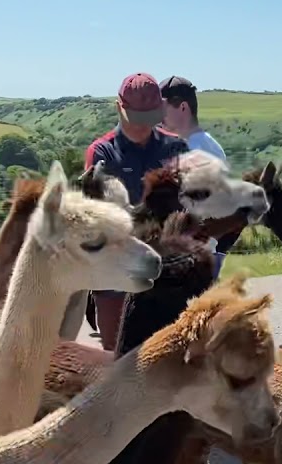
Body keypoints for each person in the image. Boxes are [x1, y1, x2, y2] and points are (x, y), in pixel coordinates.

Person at [84, 72, 189, 350]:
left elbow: (189, 208)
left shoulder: (176, 148)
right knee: (118, 364)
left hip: (166, 277)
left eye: (150, 117)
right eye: (137, 119)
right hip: (116, 280)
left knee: (171, 362)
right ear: (120, 108)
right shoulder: (102, 154)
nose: (143, 127)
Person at [160, 75, 238, 279]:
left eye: (163, 109)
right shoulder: (213, 147)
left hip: (188, 257)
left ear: (183, 108)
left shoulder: (190, 151)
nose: (159, 118)